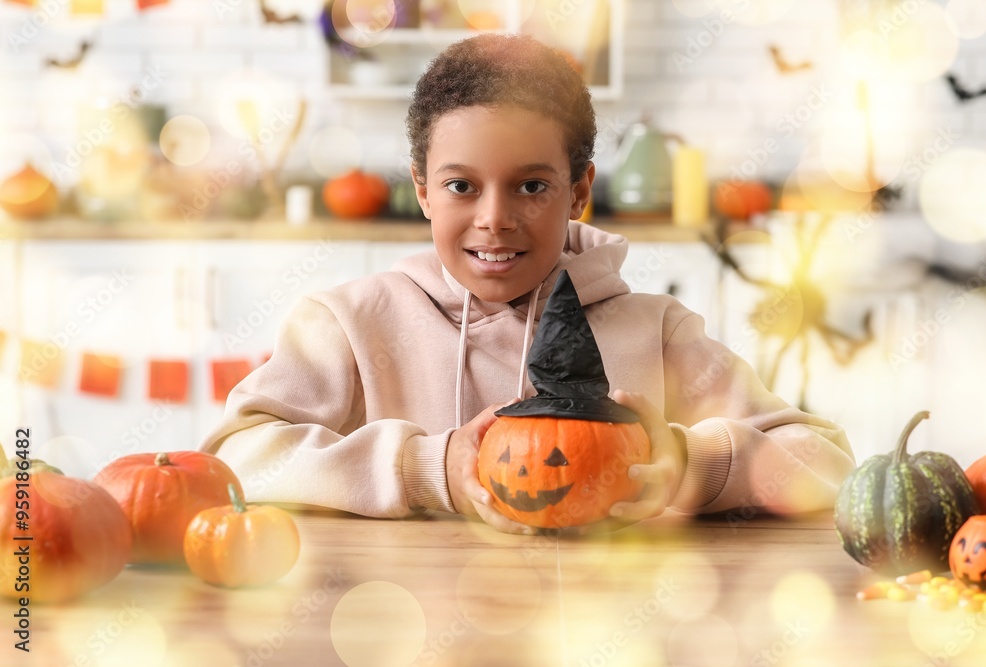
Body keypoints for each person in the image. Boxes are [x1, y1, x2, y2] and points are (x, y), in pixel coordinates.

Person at [199, 34, 855, 534]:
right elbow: (234, 460)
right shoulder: (346, 323)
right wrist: (430, 469)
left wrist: (692, 463)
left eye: (532, 186)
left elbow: (827, 462)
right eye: (461, 185)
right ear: (423, 189)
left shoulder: (658, 332)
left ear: (579, 192)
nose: (494, 219)